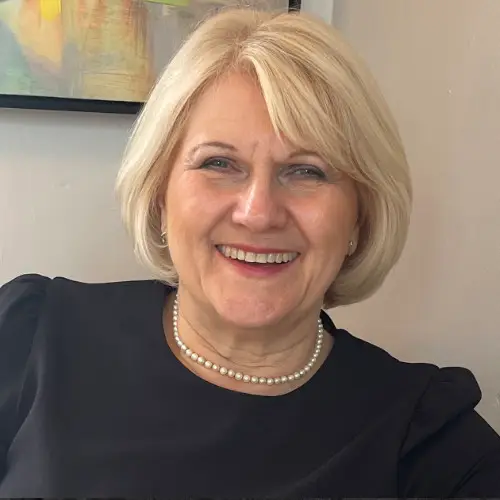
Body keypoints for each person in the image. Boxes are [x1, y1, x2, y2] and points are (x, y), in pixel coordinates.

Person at [0, 7, 499, 498]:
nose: (258, 213)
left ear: (359, 216)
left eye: (306, 171)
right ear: (160, 194)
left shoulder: (429, 443)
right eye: (219, 163)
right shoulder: (33, 336)